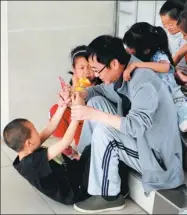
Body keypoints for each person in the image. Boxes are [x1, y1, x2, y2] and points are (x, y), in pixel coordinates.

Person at [67, 35, 184, 213]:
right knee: (95, 102)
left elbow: (135, 126)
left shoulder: (143, 82)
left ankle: (108, 196)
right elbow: (101, 90)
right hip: (142, 141)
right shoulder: (124, 69)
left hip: (158, 159)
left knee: (106, 132)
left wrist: (94, 115)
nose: (95, 75)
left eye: (97, 70)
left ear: (113, 64)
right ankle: (85, 161)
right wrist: (83, 94)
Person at [2, 92, 91, 205]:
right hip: (76, 190)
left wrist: (62, 106)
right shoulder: (31, 164)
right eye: (34, 130)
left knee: (91, 148)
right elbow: (65, 142)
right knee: (95, 150)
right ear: (28, 142)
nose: (38, 132)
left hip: (73, 173)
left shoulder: (27, 150)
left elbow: (50, 127)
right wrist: (77, 114)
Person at [123, 22, 187, 132]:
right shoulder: (146, 55)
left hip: (176, 102)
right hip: (165, 102)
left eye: (130, 47)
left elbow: (166, 67)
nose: (128, 50)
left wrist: (136, 64)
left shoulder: (159, 54)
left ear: (146, 50)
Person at [49, 45, 102, 157]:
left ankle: (81, 150)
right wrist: (67, 97)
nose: (87, 71)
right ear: (74, 70)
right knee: (56, 109)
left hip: (91, 117)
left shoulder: (101, 83)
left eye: (90, 67)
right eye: (82, 68)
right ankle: (63, 144)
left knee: (77, 115)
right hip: (77, 114)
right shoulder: (74, 83)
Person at [159, 0, 187, 83]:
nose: (168, 27)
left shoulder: (184, 38)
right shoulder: (167, 35)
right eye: (164, 24)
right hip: (173, 70)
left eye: (170, 24)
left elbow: (178, 56)